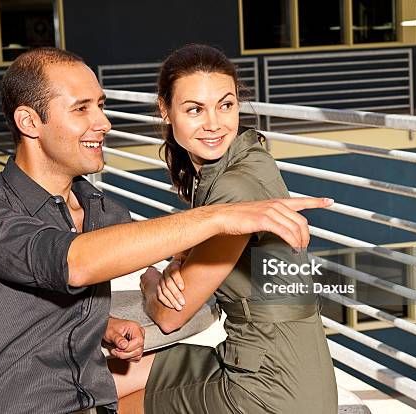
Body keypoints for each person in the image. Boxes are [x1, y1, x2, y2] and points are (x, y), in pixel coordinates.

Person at [0, 47, 330, 414]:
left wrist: (99, 324)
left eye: (101, 106)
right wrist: (217, 219)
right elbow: (72, 261)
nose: (103, 123)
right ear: (29, 121)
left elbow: (121, 266)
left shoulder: (103, 211)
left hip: (87, 395)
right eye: (82, 109)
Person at [121, 44, 337, 413]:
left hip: (271, 389)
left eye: (226, 105)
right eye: (195, 110)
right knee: (109, 375)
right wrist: (183, 263)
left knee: (105, 395)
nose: (215, 124)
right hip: (281, 364)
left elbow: (170, 315)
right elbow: (209, 252)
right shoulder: (248, 157)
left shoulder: (235, 186)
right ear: (165, 110)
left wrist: (151, 281)